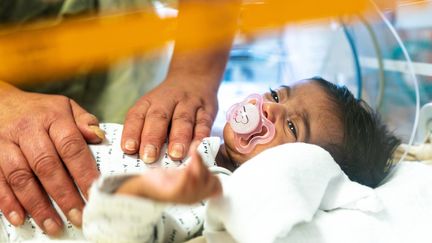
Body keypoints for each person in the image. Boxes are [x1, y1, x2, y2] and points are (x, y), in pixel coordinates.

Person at [0, 0, 238, 236]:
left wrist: (192, 74)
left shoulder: (220, 194)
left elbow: (136, 233)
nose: (267, 107)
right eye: (273, 95)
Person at [82, 77, 401, 242]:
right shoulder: (195, 135)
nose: (270, 108)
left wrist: (146, 192)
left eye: (291, 126)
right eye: (277, 95)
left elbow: (119, 237)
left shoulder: (215, 195)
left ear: (299, 167)